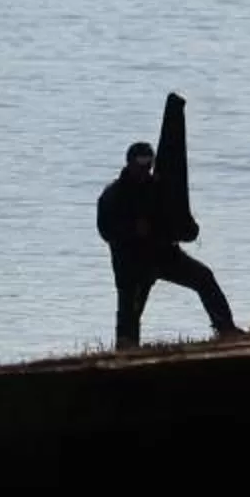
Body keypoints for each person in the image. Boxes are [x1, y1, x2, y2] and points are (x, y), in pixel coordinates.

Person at [97, 139, 238, 349]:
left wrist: (187, 228)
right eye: (140, 165)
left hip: (164, 255)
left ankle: (226, 330)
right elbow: (105, 230)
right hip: (132, 263)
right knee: (129, 311)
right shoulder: (114, 194)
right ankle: (126, 350)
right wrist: (131, 231)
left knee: (204, 278)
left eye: (148, 165)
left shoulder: (159, 188)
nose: (145, 170)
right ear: (129, 164)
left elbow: (178, 223)